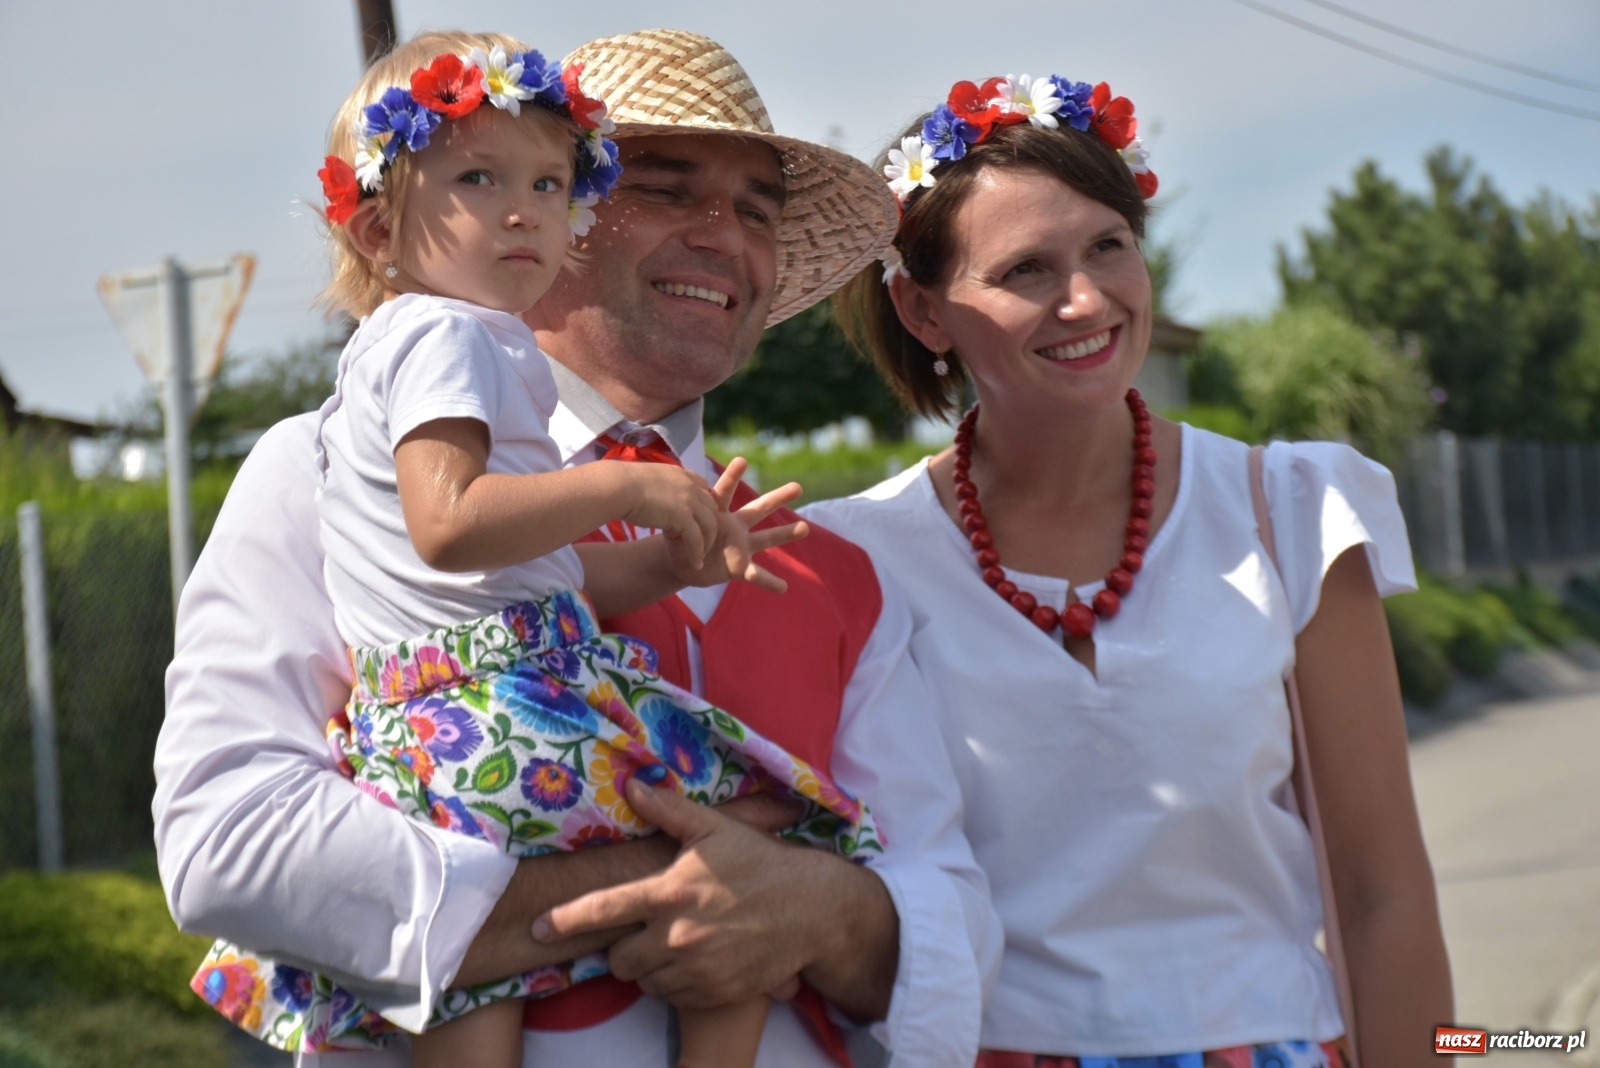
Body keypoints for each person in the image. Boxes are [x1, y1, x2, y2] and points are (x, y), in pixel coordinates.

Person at [154, 28, 999, 1068]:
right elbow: (227, 850)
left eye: (754, 210)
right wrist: (665, 887)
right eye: (665, 187)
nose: (721, 235)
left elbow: (953, 922)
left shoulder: (833, 573)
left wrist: (820, 909)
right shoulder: (331, 470)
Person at [811, 73, 1453, 1065]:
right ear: (923, 311)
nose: (1085, 299)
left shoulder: (1289, 510)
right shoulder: (851, 558)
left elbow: (1383, 892)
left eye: (1108, 246)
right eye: (1026, 269)